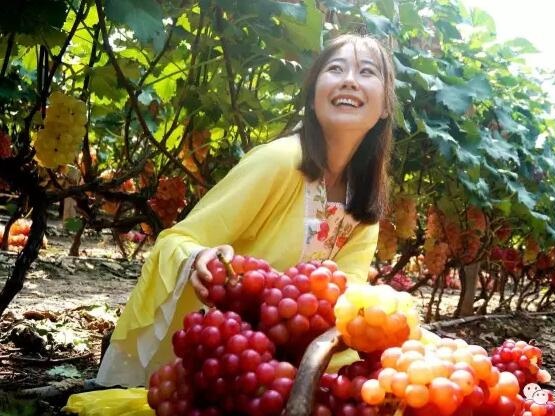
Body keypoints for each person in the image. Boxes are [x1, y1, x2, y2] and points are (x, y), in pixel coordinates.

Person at [64, 32, 397, 414]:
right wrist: (198, 260)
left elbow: (349, 298)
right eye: (335, 69)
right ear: (312, 95)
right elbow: (176, 239)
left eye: (366, 72)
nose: (349, 80)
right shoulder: (279, 162)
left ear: (385, 106)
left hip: (286, 369)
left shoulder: (363, 202)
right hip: (225, 361)